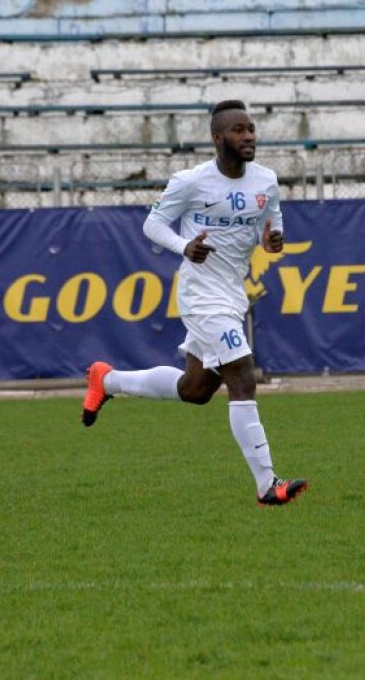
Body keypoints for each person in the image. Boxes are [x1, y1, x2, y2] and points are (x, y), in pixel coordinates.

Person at [81, 99, 308, 507]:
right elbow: (152, 225)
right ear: (218, 138)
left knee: (196, 389)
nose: (249, 136)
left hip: (231, 292)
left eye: (252, 128)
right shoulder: (190, 181)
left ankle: (107, 380)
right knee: (242, 374)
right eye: (239, 130)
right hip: (201, 294)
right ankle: (267, 484)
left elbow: (271, 225)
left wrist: (273, 241)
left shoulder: (266, 180)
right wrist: (185, 246)